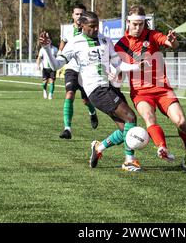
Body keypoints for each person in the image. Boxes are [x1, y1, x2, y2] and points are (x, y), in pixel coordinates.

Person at [40, 11, 144, 172]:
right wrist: (47, 48)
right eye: (92, 26)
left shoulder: (105, 40)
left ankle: (98, 148)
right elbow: (55, 65)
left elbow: (118, 64)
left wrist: (137, 66)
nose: (96, 29)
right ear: (82, 25)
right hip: (96, 91)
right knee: (130, 116)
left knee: (126, 129)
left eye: (97, 25)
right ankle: (129, 161)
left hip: (109, 87)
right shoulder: (74, 43)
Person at [114, 5, 186, 170]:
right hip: (140, 93)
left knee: (182, 122)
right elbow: (119, 70)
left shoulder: (152, 35)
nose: (137, 28)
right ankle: (161, 147)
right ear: (128, 22)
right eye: (134, 24)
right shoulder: (120, 46)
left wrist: (172, 41)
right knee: (149, 118)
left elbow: (170, 43)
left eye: (140, 24)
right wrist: (117, 75)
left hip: (163, 89)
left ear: (145, 24)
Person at [58, 3, 98, 139]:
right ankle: (67, 129)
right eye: (77, 14)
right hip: (71, 69)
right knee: (69, 94)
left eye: (82, 14)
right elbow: (62, 46)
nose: (79, 16)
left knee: (86, 100)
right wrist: (59, 60)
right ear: (72, 15)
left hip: (85, 71)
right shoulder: (68, 32)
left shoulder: (90, 31)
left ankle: (92, 113)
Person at [36, 33, 58, 99]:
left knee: (52, 81)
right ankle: (44, 90)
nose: (48, 41)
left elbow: (58, 57)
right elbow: (39, 58)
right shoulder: (42, 49)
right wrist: (38, 65)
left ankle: (50, 94)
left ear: (50, 41)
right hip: (45, 68)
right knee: (45, 82)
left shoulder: (55, 49)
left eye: (49, 40)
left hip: (52, 68)